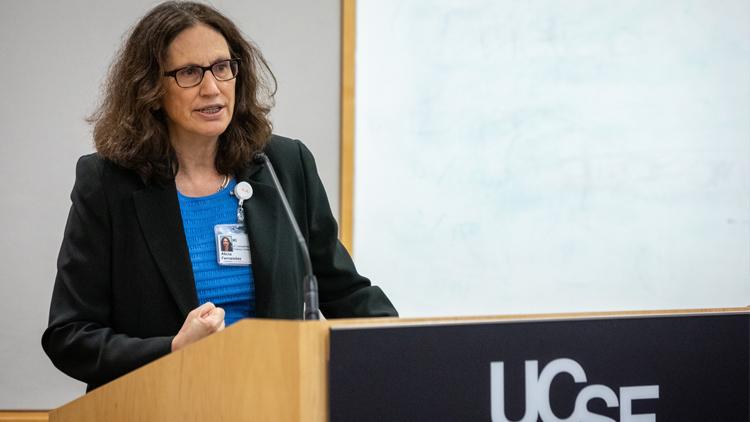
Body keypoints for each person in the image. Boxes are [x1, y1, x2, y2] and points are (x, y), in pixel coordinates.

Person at [42, 1, 397, 392]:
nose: (212, 88)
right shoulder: (108, 183)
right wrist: (173, 349)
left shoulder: (283, 165)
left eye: (222, 67)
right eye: (189, 73)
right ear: (151, 89)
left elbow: (343, 292)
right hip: (162, 406)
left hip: (273, 402)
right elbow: (70, 335)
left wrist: (410, 344)